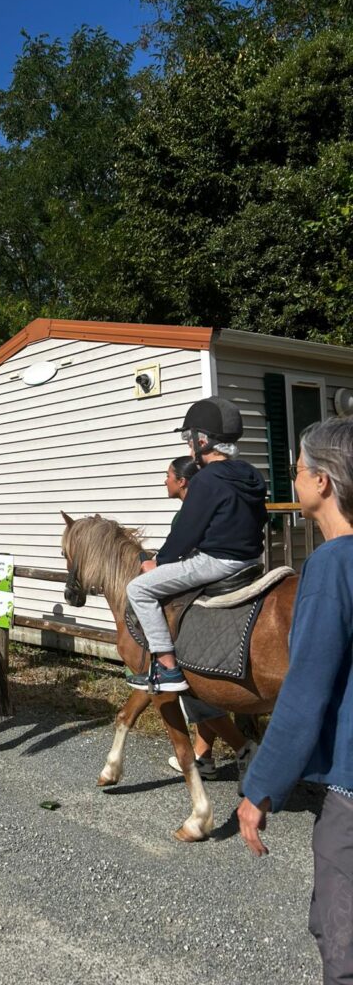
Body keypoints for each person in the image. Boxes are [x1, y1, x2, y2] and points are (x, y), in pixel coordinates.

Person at [238, 417, 353, 985]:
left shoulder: (332, 565)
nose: (294, 479)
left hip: (352, 790)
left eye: (299, 470)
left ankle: (160, 667)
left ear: (324, 482)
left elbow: (305, 692)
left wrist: (261, 787)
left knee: (342, 942)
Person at [126, 397, 268, 692]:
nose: (189, 449)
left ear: (203, 441)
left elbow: (186, 532)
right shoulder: (251, 474)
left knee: (138, 589)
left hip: (216, 562)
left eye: (189, 442)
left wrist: (160, 562)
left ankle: (167, 668)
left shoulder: (206, 479)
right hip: (253, 560)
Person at [162, 456, 258, 781]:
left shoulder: (188, 512)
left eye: (168, 476)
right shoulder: (225, 494)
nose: (165, 482)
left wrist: (158, 564)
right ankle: (204, 753)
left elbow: (182, 552)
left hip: (203, 581)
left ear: (182, 482)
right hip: (235, 567)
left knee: (183, 656)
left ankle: (163, 668)